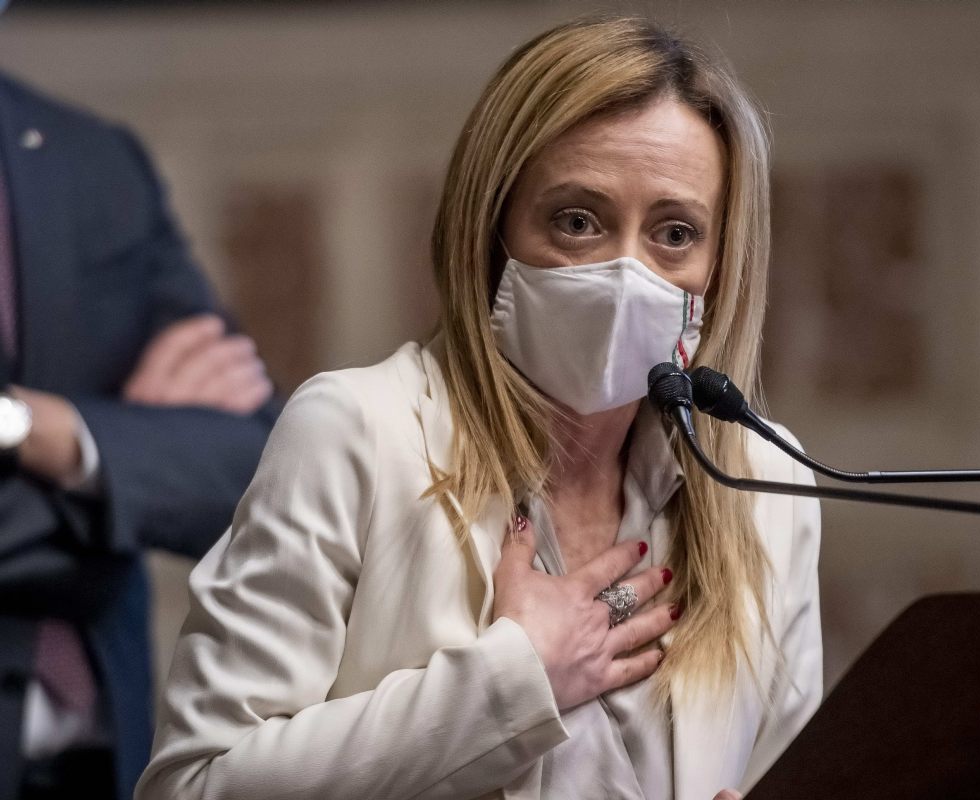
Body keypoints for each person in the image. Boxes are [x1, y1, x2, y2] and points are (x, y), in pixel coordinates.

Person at [136, 16, 822, 800]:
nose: (624, 273)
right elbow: (194, 785)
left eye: (674, 233)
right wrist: (512, 682)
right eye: (577, 221)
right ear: (491, 231)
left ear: (723, 263)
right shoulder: (358, 433)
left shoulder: (765, 482)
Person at [0, 42, 276, 800]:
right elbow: (183, 476)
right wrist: (128, 468)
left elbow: (260, 473)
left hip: (104, 763)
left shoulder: (94, 160)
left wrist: (49, 432)